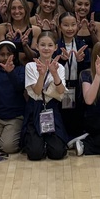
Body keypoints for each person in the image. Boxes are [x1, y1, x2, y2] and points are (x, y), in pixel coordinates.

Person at [23, 31, 69, 160]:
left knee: (58, 153)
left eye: (50, 45)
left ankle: (49, 142)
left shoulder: (59, 67)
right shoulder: (31, 66)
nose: (46, 48)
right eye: (43, 45)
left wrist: (54, 74)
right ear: (37, 47)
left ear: (55, 47)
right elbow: (37, 91)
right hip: (35, 107)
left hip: (51, 108)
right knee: (35, 154)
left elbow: (61, 91)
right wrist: (42, 74)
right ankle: (38, 142)